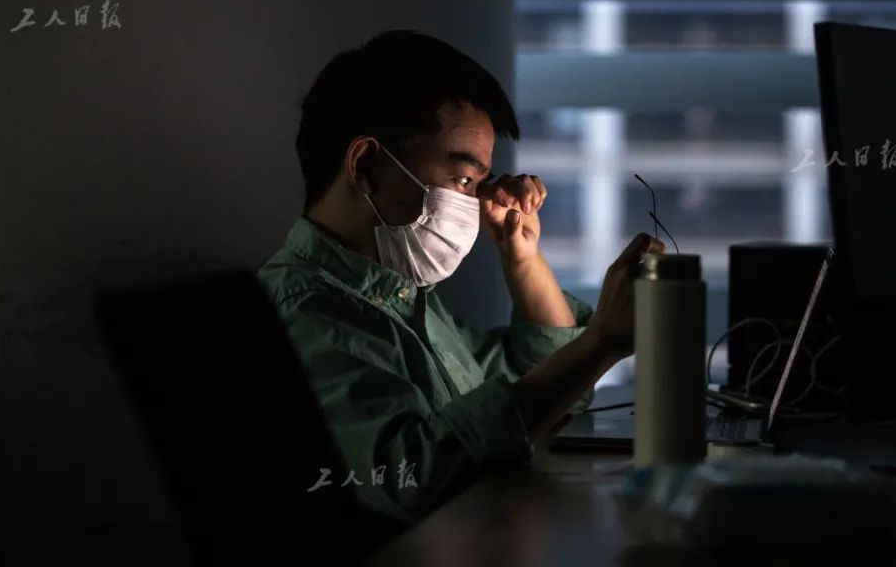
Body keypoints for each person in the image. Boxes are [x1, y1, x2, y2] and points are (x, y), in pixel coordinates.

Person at [258, 29, 664, 528]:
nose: (475, 203)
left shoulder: (401, 298)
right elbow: (414, 475)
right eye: (464, 179)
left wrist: (522, 257)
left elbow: (552, 389)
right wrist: (601, 342)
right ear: (366, 165)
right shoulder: (305, 311)